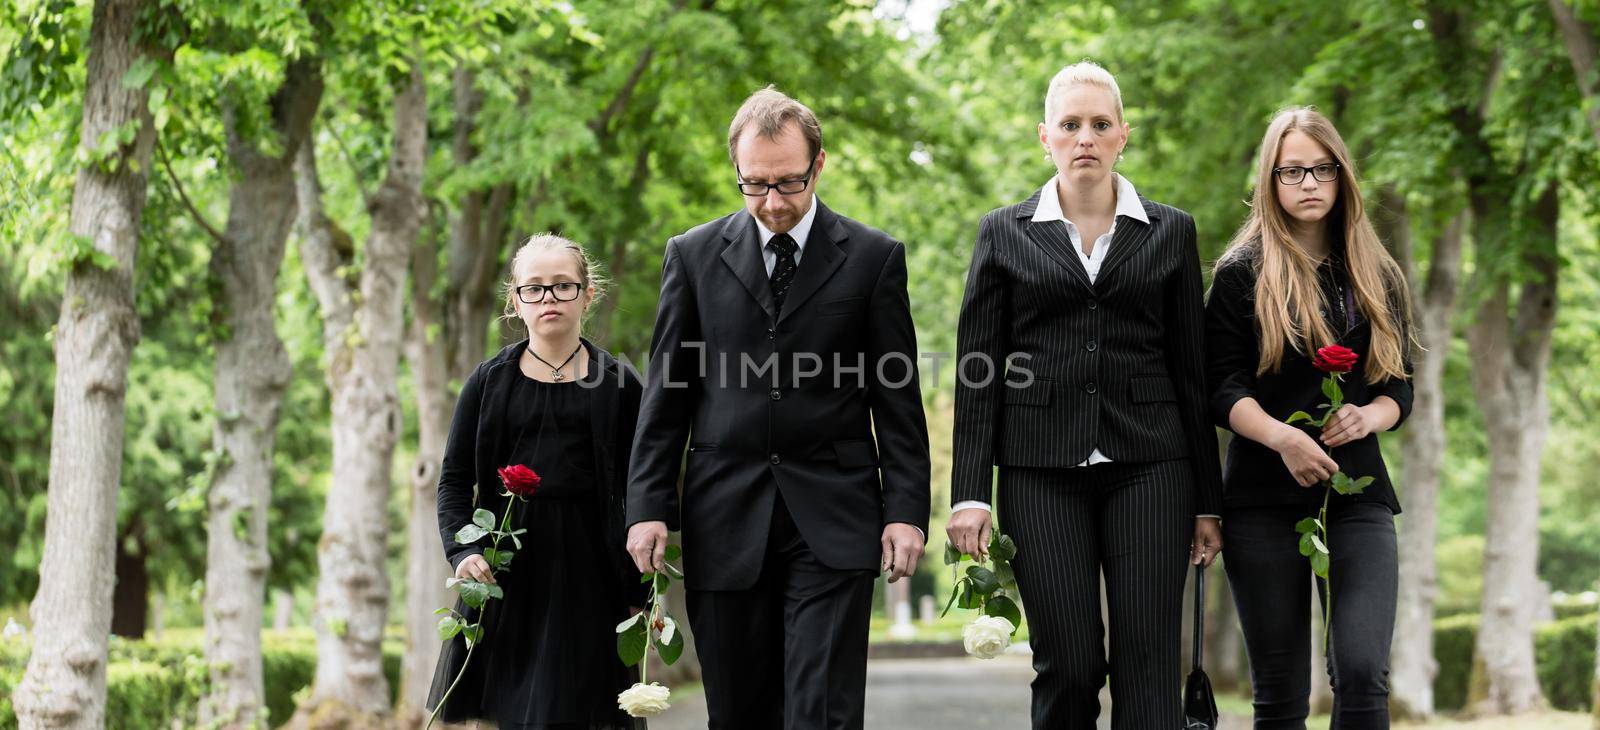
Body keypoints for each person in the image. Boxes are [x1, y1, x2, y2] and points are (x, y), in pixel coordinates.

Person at [624, 86, 931, 729]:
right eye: (754, 184)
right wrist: (648, 505)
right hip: (723, 512)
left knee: (820, 711)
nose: (771, 202)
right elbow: (667, 393)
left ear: (819, 165)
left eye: (788, 183)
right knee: (737, 712)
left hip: (835, 514)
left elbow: (896, 400)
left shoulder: (875, 259)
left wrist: (906, 512)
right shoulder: (693, 255)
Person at [946, 61, 1224, 729]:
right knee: (1068, 665)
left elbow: (1193, 371)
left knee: (1147, 662)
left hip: (1153, 469)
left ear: (1123, 135)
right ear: (1046, 137)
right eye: (1070, 125)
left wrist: (1209, 501)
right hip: (1040, 472)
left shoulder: (1171, 232)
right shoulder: (1003, 233)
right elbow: (977, 370)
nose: (1085, 139)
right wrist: (968, 491)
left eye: (1100, 125)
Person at [1205, 107, 1413, 729]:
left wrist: (1369, 417)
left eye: (1321, 169)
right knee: (1279, 690)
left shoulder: (1377, 275)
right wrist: (1281, 438)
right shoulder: (1241, 274)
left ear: (1342, 176)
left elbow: (1400, 388)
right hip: (1261, 501)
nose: (1308, 183)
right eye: (1291, 171)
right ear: (1270, 181)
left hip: (1358, 496)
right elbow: (1220, 387)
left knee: (1361, 670)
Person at [427, 234, 647, 729]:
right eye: (534, 288)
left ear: (588, 295)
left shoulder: (619, 383)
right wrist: (464, 552)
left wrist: (639, 587)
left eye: (563, 286)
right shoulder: (488, 383)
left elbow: (642, 485)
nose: (548, 298)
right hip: (507, 570)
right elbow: (455, 481)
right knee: (514, 710)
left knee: (586, 711)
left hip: (591, 572)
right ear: (516, 301)